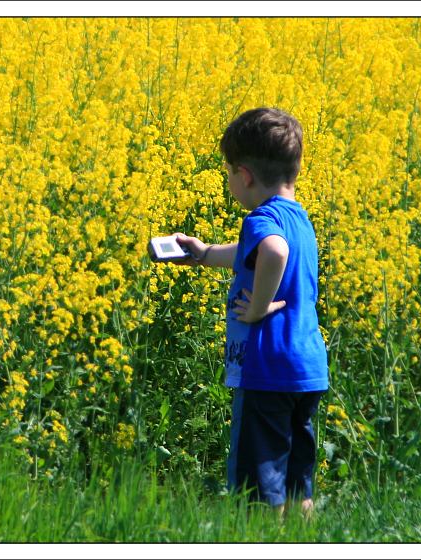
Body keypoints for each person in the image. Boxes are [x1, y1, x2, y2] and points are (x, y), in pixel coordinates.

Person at [173, 107, 328, 517]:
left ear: (244, 175)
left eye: (228, 173)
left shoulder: (261, 220)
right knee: (298, 479)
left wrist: (258, 307)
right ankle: (303, 540)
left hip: (266, 371)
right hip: (306, 369)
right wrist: (205, 254)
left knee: (261, 487)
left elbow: (272, 251)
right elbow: (259, 254)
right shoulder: (301, 220)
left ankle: (262, 541)